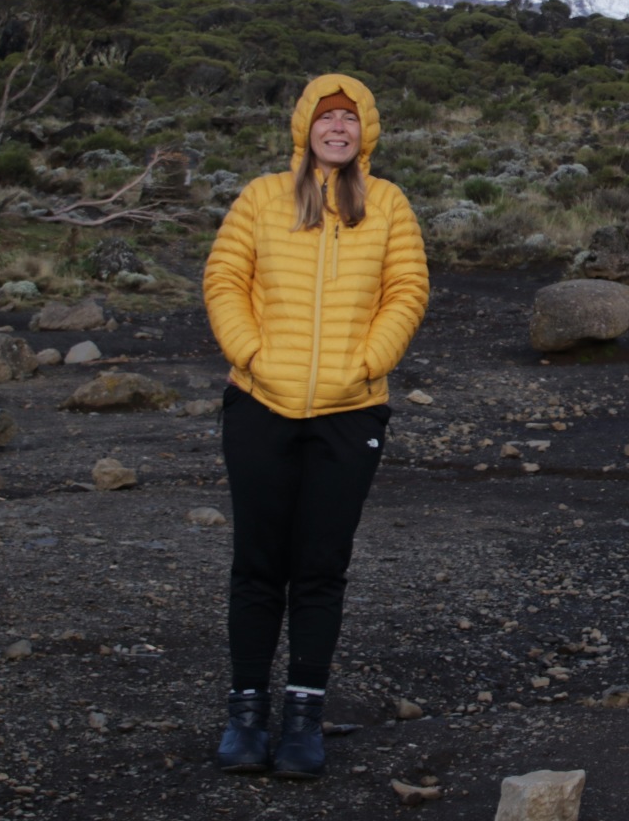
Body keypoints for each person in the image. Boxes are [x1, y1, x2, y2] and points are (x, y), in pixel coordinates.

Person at [201, 73, 429, 778]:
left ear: (367, 132)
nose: (338, 129)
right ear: (306, 127)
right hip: (259, 405)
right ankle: (246, 716)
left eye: (350, 120)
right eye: (327, 119)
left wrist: (369, 362)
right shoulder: (263, 198)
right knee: (258, 565)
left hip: (349, 412)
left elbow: (407, 290)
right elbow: (224, 279)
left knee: (321, 567)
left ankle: (303, 717)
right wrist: (252, 354)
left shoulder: (387, 203)